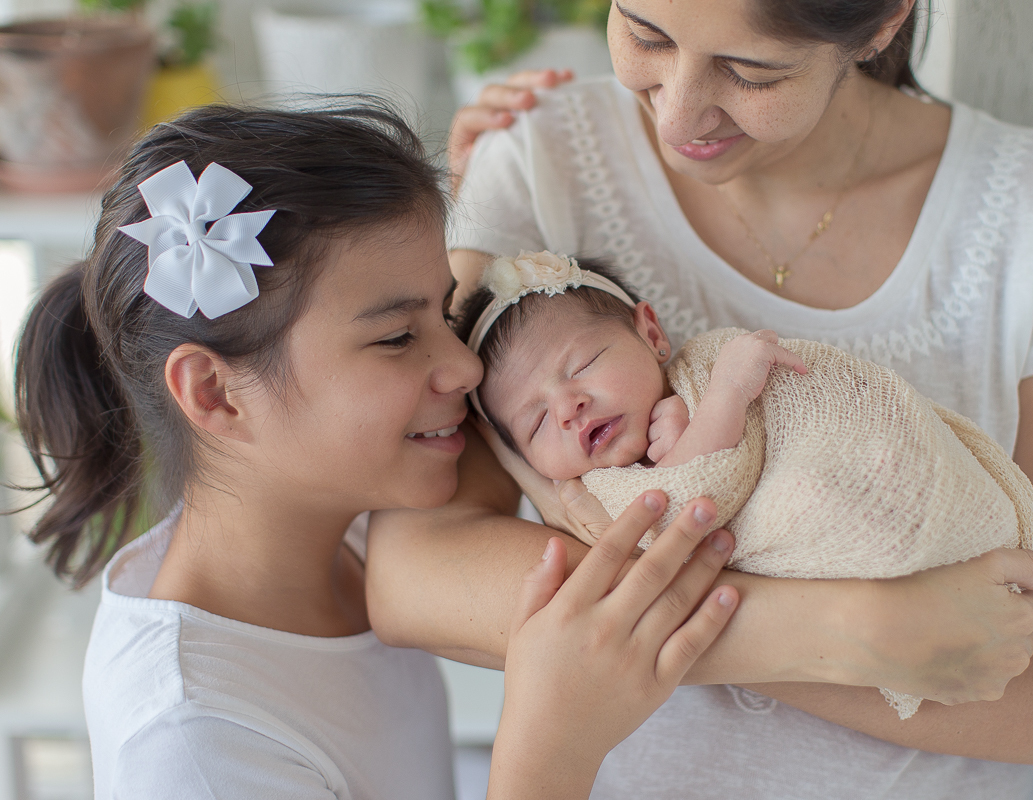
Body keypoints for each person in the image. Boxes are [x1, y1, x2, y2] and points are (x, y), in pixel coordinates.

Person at [365, 0, 1033, 795]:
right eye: (645, 34)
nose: (679, 110)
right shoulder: (541, 164)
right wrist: (846, 633)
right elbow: (415, 579)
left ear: (886, 20)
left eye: (752, 71)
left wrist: (666, 612)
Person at [10, 101, 745, 800]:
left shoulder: (349, 525)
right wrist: (550, 751)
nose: (464, 368)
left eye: (444, 314)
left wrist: (503, 159)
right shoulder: (194, 743)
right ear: (215, 393)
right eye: (397, 338)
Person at [458, 250, 1033, 720]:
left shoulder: (702, 364)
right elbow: (682, 514)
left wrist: (714, 395)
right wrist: (726, 399)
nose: (568, 407)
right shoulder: (604, 491)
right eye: (536, 422)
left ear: (653, 335)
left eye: (583, 365)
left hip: (860, 465)